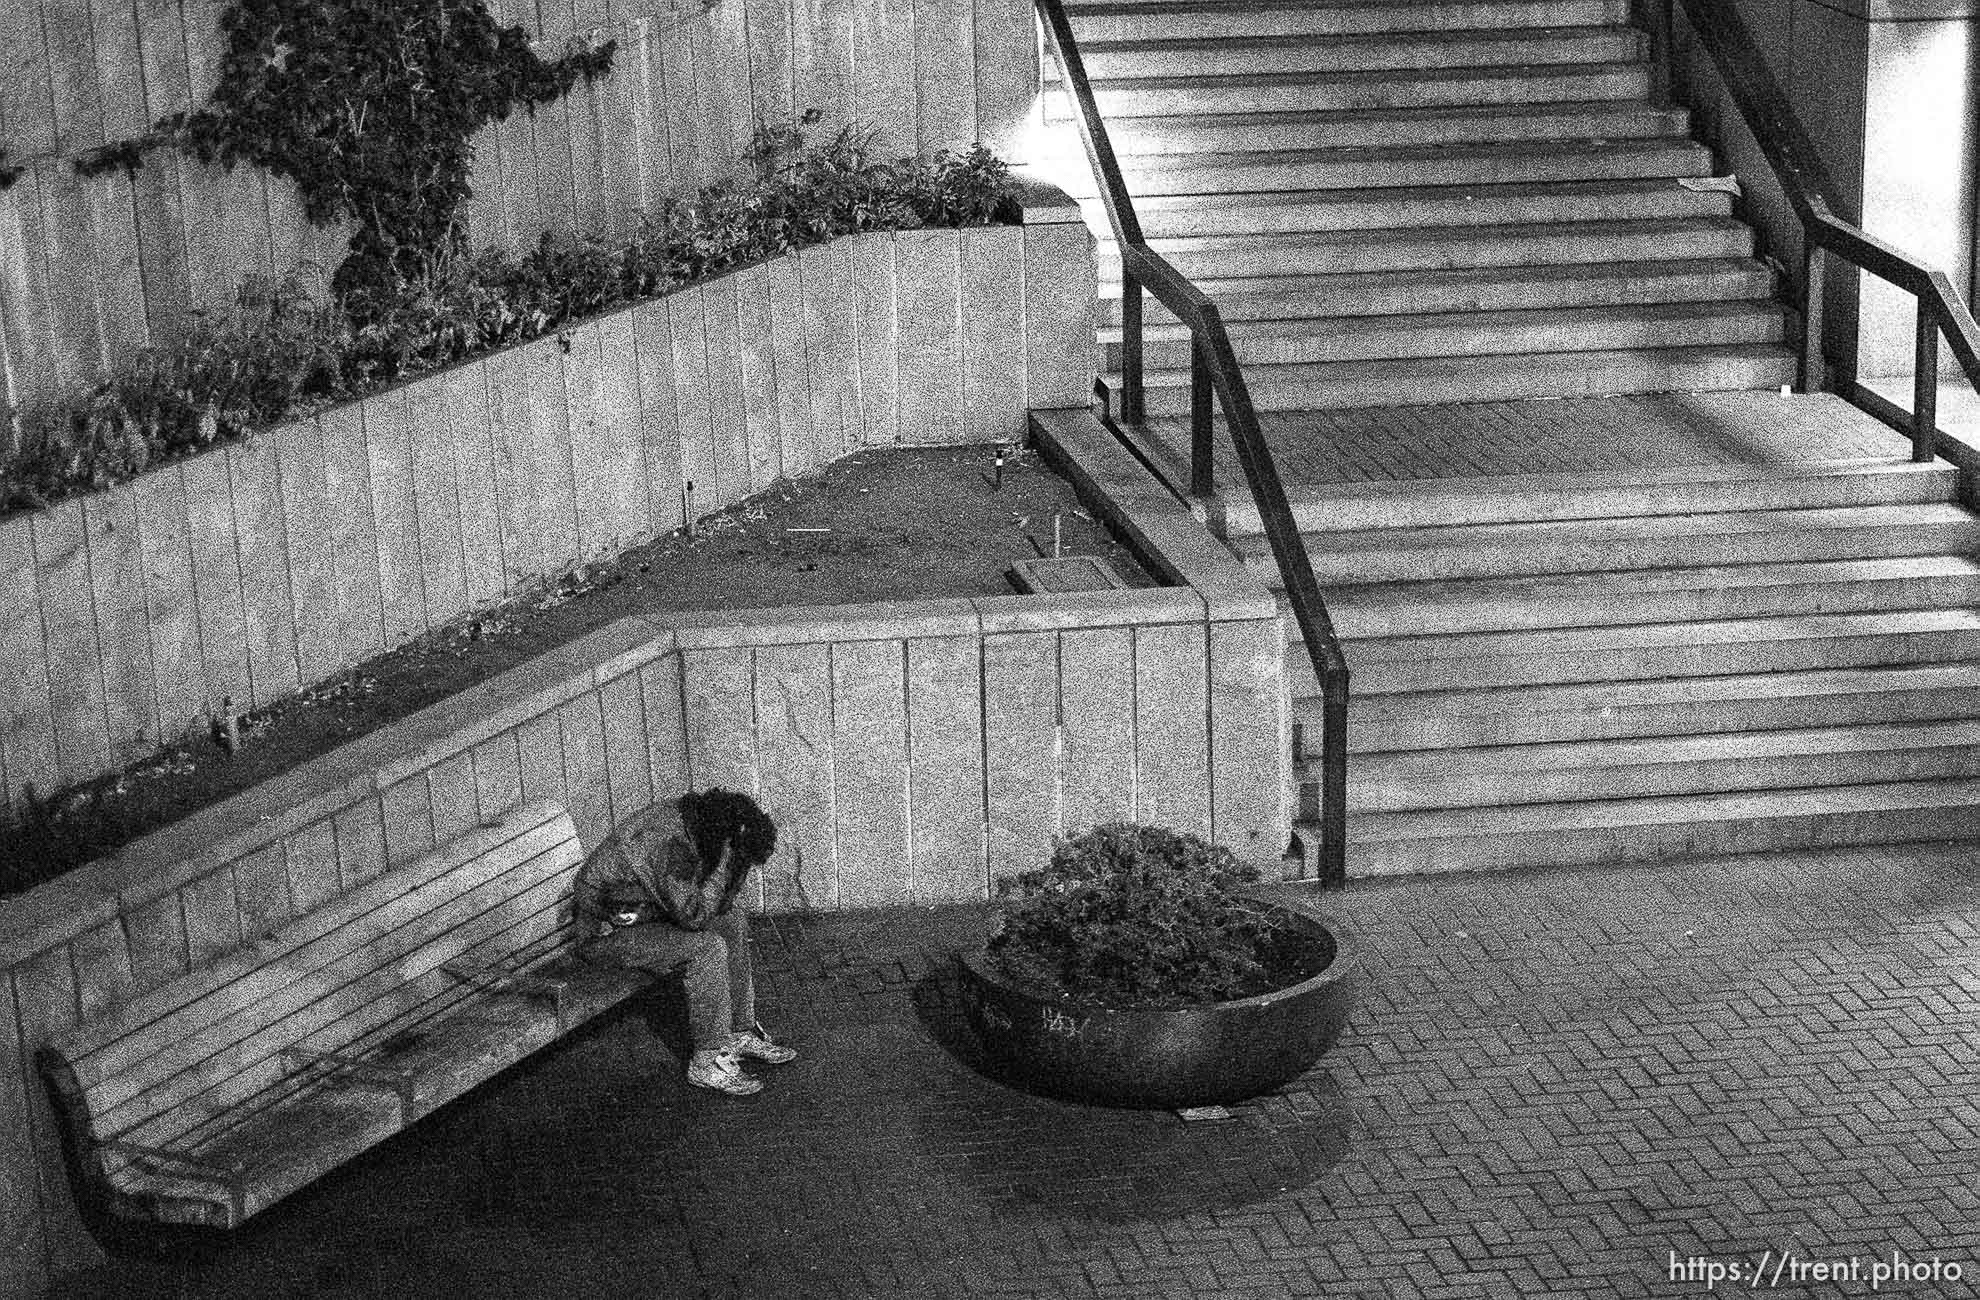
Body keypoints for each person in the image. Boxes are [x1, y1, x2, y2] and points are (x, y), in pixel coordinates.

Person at [574, 787, 797, 1096]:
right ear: (722, 838)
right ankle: (706, 1063)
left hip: (644, 913)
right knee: (706, 949)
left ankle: (737, 1032)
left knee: (732, 923)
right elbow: (694, 915)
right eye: (733, 852)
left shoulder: (699, 824)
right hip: (606, 934)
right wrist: (725, 866)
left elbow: (721, 908)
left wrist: (737, 861)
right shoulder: (670, 844)